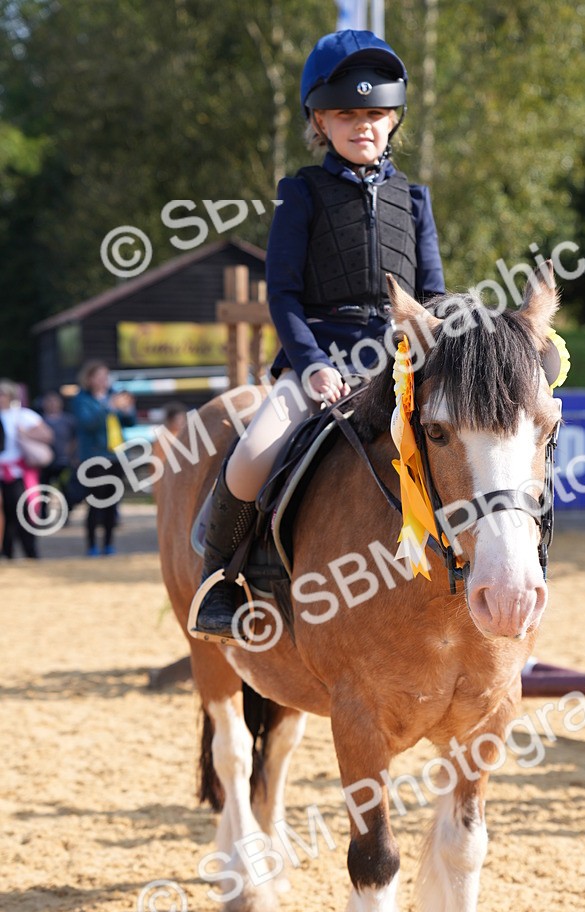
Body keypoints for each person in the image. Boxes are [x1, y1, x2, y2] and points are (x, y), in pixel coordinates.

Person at [191, 28, 445, 641]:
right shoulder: (300, 194)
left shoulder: (413, 199)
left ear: (392, 121)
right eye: (346, 114)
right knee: (253, 456)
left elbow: (433, 293)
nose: (363, 126)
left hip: (396, 360)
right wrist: (309, 366)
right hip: (321, 359)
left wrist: (433, 347)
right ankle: (222, 582)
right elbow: (282, 294)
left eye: (375, 114)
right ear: (319, 121)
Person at [72, 361, 136, 556]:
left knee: (112, 503)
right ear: (89, 379)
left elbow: (130, 422)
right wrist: (108, 407)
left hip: (116, 455)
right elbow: (87, 424)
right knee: (96, 502)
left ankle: (109, 544)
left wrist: (127, 409)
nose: (103, 380)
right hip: (94, 457)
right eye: (99, 376)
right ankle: (91, 546)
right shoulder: (81, 399)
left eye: (105, 376)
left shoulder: (114, 395)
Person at [0, 379, 54, 559]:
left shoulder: (22, 415)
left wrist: (25, 433)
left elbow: (47, 435)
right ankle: (6, 552)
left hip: (17, 472)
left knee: (22, 511)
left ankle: (29, 550)